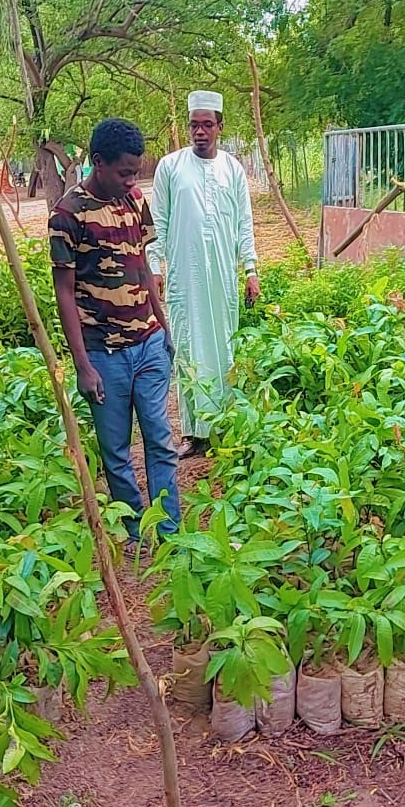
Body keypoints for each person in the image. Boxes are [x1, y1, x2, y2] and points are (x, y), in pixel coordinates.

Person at [48, 118, 181, 544]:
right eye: (124, 172)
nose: (131, 180)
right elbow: (64, 293)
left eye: (136, 172)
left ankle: (168, 529)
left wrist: (163, 325)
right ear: (98, 162)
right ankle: (136, 531)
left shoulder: (134, 200)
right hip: (104, 355)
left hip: (148, 345)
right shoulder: (67, 215)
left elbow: (143, 265)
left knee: (160, 442)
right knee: (117, 454)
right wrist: (82, 365)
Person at [148, 90, 260, 459]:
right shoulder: (170, 167)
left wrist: (250, 269)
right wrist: (155, 266)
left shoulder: (233, 169)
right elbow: (157, 223)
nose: (200, 132)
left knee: (223, 346)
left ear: (220, 127)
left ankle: (224, 425)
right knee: (188, 347)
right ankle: (194, 433)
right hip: (184, 276)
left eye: (207, 125)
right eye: (194, 125)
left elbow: (245, 223)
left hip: (223, 279)